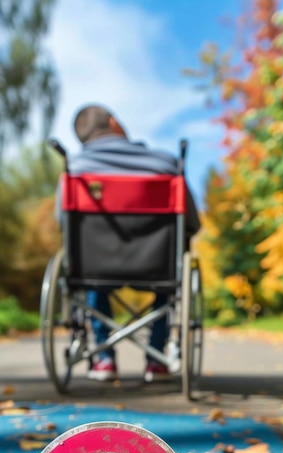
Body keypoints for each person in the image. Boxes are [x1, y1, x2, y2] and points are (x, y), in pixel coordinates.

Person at [58, 104, 200, 382]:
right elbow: (191, 222)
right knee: (171, 267)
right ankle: (156, 359)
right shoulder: (166, 165)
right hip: (156, 265)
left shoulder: (75, 172)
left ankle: (104, 358)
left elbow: (64, 225)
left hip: (94, 266)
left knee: (91, 267)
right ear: (113, 122)